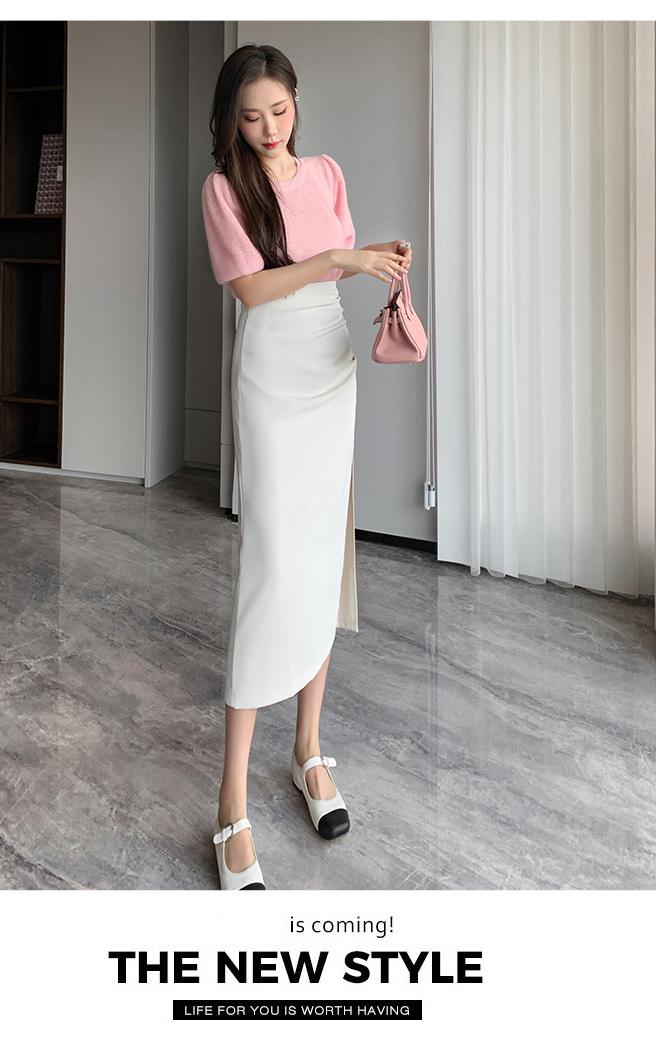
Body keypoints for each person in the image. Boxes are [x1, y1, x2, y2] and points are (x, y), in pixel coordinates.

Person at [201, 43, 412, 890]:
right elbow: (252, 290)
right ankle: (230, 802)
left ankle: (309, 750)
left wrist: (374, 261)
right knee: (273, 565)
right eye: (250, 117)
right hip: (271, 370)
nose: (267, 128)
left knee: (323, 557)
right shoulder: (224, 187)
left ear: (296, 100)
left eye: (279, 111)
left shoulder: (325, 173)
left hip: (330, 364)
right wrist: (341, 261)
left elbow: (339, 262)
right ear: (231, 119)